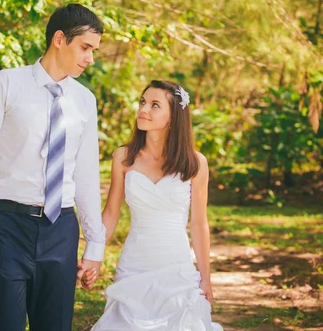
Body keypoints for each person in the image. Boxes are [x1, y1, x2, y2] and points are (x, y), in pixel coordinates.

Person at [0, 3, 106, 331]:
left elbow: (85, 174)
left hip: (61, 229)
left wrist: (95, 244)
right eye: (85, 48)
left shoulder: (85, 101)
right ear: (59, 39)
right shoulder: (7, 83)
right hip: (7, 226)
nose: (90, 59)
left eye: (93, 51)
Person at [80, 80, 223, 330]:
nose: (143, 109)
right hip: (134, 265)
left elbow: (199, 223)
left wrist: (205, 277)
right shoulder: (124, 157)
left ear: (173, 117)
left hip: (176, 266)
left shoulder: (195, 164)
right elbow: (112, 213)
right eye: (143, 102)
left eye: (154, 105)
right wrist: (92, 256)